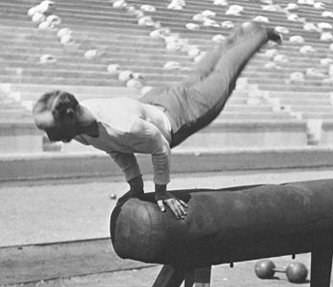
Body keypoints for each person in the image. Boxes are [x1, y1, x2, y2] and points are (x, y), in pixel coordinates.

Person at [32, 21, 282, 219]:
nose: (50, 137)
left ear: (69, 115)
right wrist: (136, 186)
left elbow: (160, 147)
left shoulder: (122, 125)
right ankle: (235, 37)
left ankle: (260, 34)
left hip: (180, 114)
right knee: (199, 73)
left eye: (51, 129)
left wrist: (161, 191)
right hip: (152, 104)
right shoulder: (79, 128)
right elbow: (115, 148)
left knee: (224, 75)